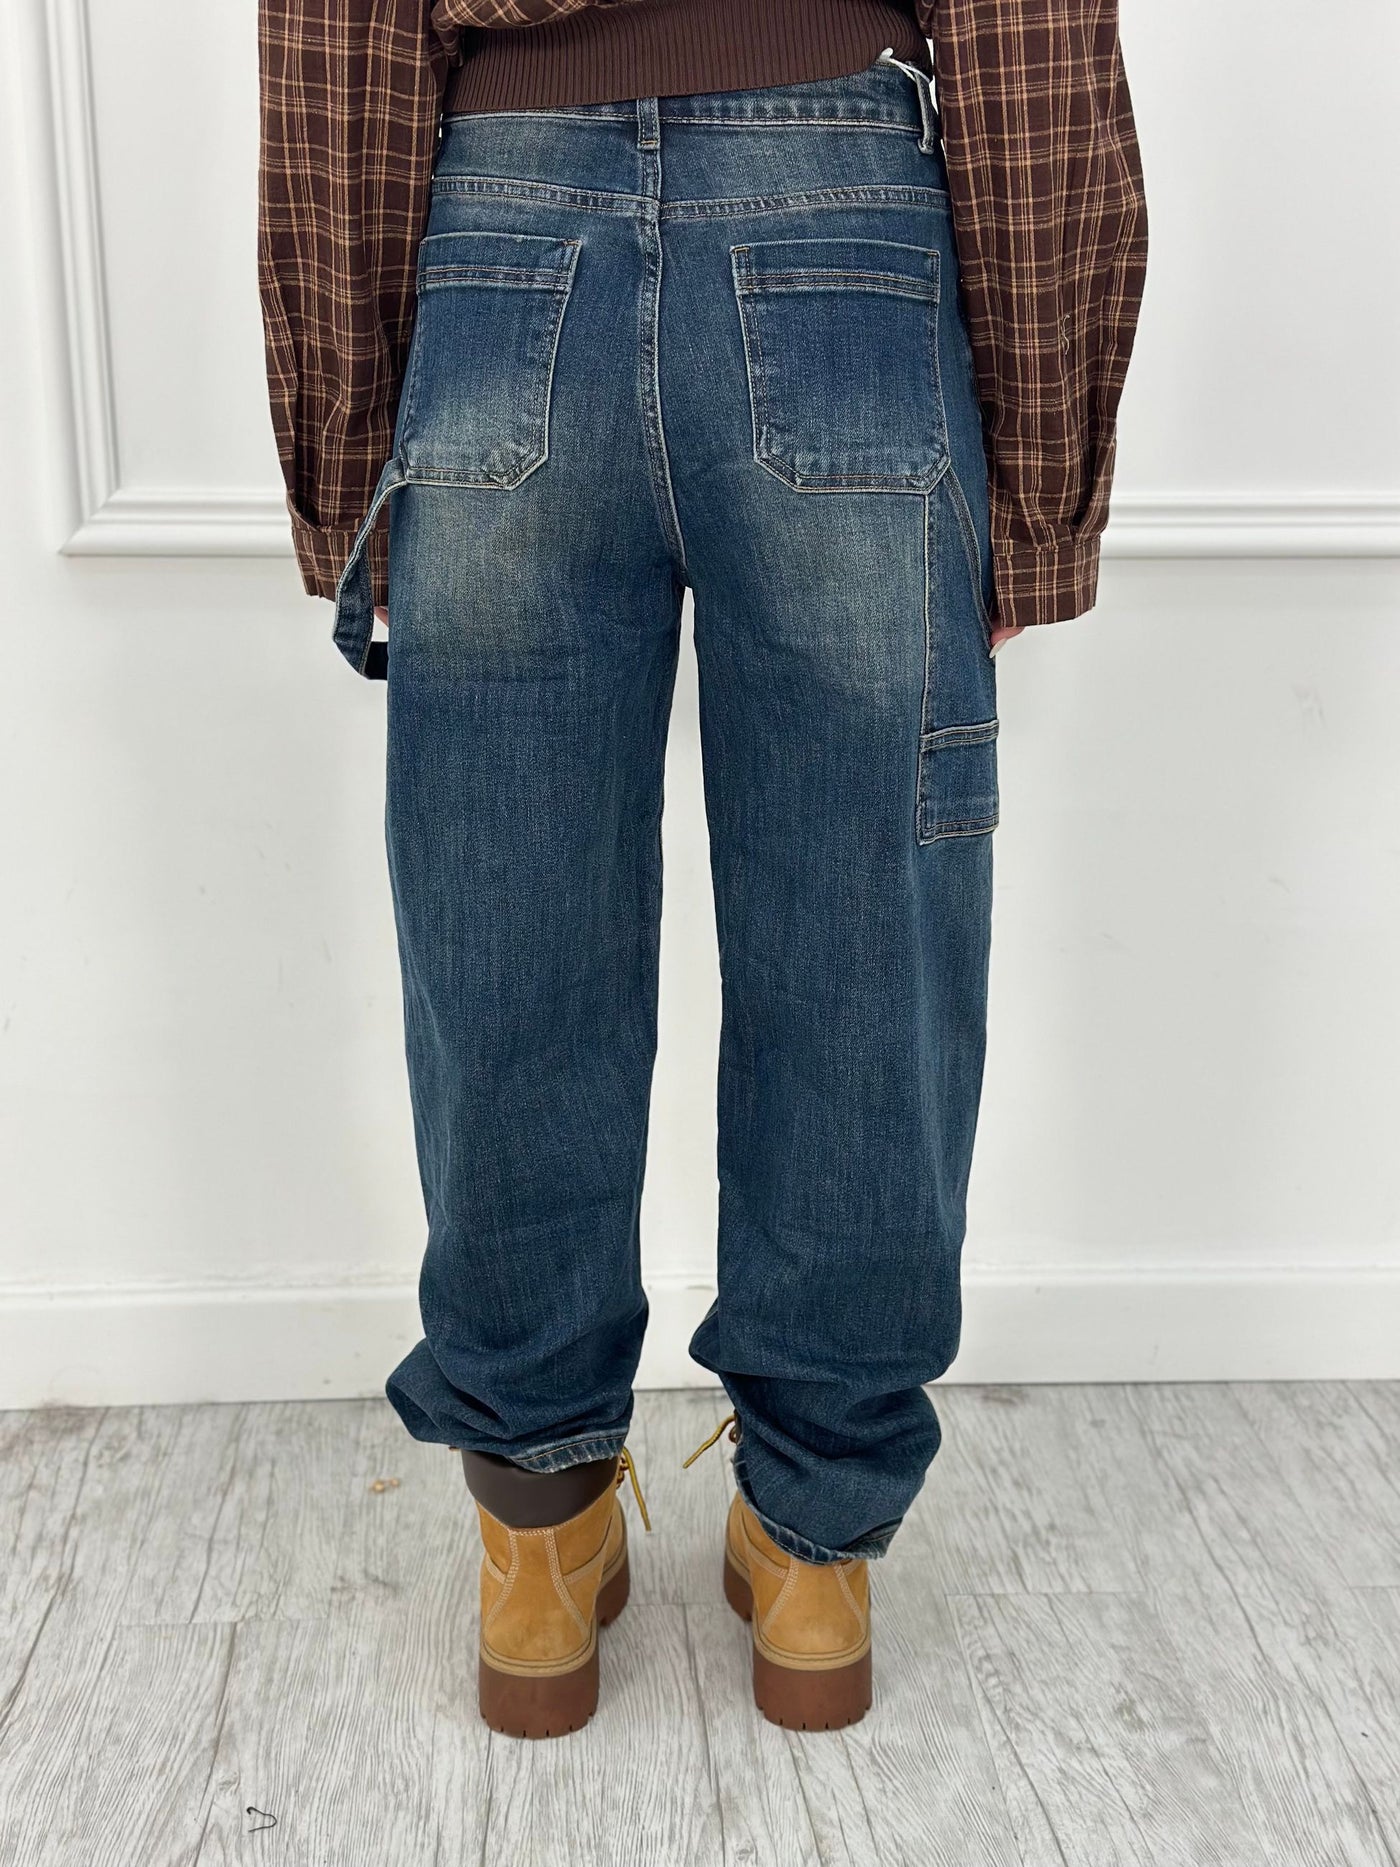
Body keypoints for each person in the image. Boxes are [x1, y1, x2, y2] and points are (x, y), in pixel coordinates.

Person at [257, 0, 1146, 1738]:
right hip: (845, 226)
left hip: (504, 228)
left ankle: (535, 1547)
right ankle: (815, 1559)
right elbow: (1031, 31)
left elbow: (337, 38)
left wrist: (346, 452)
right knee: (866, 936)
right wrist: (1040, 485)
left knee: (506, 936)